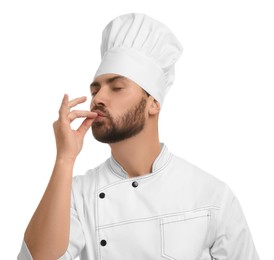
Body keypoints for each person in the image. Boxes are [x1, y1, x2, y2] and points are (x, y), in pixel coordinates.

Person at [18, 13, 260, 260]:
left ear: (153, 103)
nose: (98, 98)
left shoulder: (212, 197)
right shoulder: (77, 194)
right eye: (95, 89)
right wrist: (65, 159)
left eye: (117, 87)